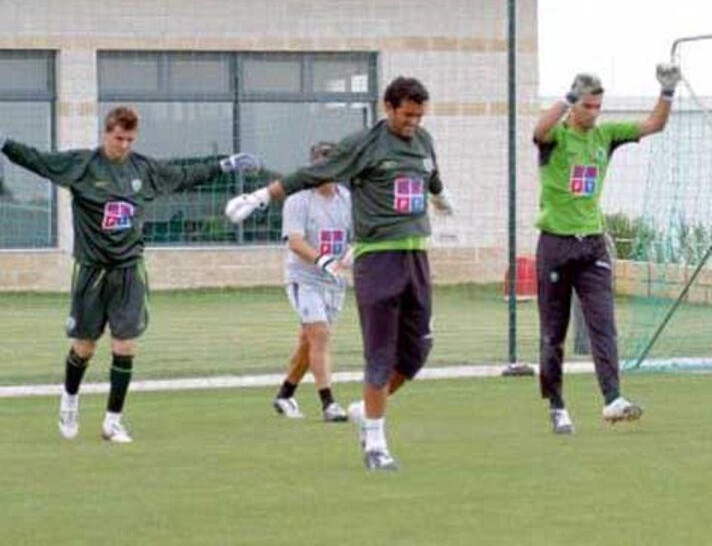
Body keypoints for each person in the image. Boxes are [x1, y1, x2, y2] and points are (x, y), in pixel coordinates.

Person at [225, 76, 452, 471]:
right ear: (388, 107)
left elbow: (431, 178)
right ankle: (376, 444)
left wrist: (442, 199)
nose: (413, 122)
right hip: (378, 261)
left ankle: (366, 409)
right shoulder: (363, 145)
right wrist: (261, 196)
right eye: (407, 115)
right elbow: (309, 175)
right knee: (379, 353)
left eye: (419, 116)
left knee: (417, 352)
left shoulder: (424, 140)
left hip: (417, 258)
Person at [0, 106, 261, 443]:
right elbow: (37, 160)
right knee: (85, 347)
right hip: (92, 270)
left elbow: (183, 175)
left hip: (128, 269)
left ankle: (113, 422)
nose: (124, 145)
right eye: (119, 138)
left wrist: (225, 164)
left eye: (130, 140)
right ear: (106, 134)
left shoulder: (144, 169)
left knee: (125, 346)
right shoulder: (82, 165)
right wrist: (5, 145)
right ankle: (70, 400)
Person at [532, 65, 679, 434]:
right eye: (587, 106)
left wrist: (667, 92)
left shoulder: (606, 136)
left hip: (593, 245)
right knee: (553, 332)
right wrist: (567, 97)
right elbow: (539, 130)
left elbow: (653, 125)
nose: (594, 113)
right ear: (574, 104)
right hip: (555, 243)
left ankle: (613, 398)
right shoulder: (557, 137)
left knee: (604, 325)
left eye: (598, 107)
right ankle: (557, 405)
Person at [272, 141, 353, 422]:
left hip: (334, 283)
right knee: (319, 334)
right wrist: (323, 261)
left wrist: (350, 256)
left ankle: (285, 394)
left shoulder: (347, 199)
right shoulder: (298, 200)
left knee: (310, 342)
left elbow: (359, 236)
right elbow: (295, 242)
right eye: (319, 164)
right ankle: (328, 403)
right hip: (304, 279)